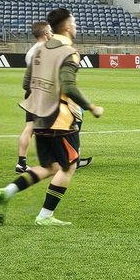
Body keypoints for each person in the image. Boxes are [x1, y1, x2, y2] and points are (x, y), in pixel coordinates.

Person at [0, 8, 104, 226]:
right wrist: (91, 107)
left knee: (50, 167)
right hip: (60, 119)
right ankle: (45, 216)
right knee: (68, 166)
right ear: (67, 27)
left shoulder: (39, 50)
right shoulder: (69, 52)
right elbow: (69, 86)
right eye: (74, 22)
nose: (76, 25)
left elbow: (26, 84)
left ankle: (7, 192)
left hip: (39, 116)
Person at [16, 21, 92, 172]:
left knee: (30, 127)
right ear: (45, 33)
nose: (52, 34)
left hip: (33, 93)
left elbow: (28, 79)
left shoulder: (31, 52)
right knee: (73, 119)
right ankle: (71, 158)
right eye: (50, 31)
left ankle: (21, 163)